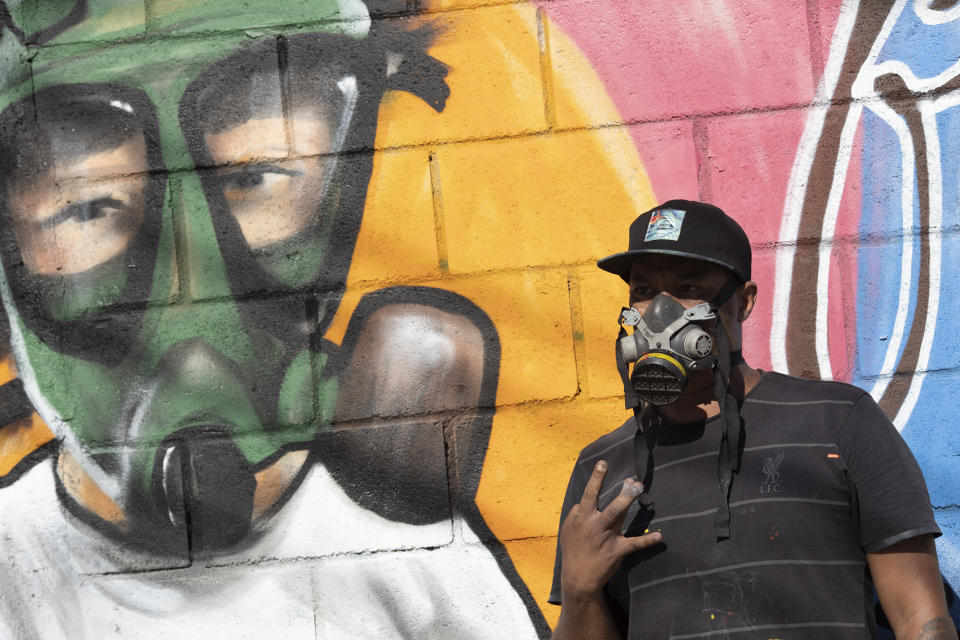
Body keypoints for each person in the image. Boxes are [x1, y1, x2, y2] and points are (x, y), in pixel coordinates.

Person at [550, 200, 957, 639]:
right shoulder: (602, 470)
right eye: (644, 292)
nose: (659, 314)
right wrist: (579, 591)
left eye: (688, 287)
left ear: (742, 302)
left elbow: (921, 620)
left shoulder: (838, 421)